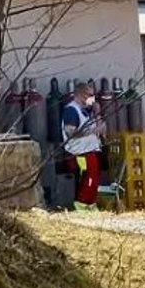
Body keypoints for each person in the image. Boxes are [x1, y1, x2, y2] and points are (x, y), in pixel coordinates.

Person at [59, 81, 105, 213]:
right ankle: (82, 203)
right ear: (82, 94)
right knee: (87, 178)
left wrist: (97, 113)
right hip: (79, 152)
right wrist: (94, 130)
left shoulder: (85, 112)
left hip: (90, 150)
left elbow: (98, 128)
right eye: (90, 95)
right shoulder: (71, 110)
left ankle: (90, 203)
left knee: (94, 178)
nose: (92, 98)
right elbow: (71, 132)